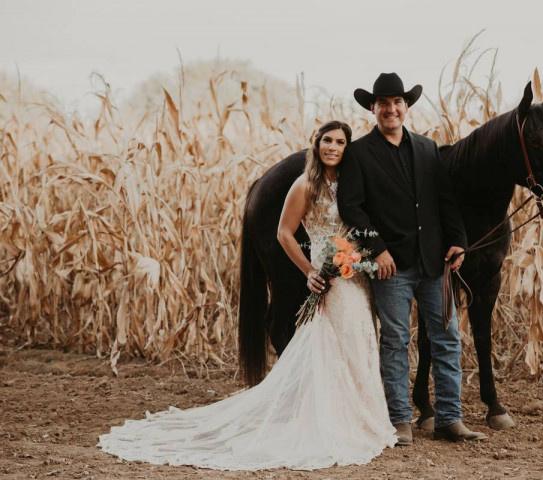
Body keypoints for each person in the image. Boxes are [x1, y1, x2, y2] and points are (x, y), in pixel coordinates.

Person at [97, 121, 396, 471]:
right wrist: (309, 271)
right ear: (316, 145)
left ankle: (362, 417)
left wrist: (363, 255)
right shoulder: (304, 184)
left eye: (340, 142)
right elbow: (284, 233)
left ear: (348, 148)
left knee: (359, 338)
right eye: (326, 140)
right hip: (327, 273)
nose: (332, 147)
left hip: (352, 276)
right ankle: (329, 416)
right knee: (330, 341)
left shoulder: (349, 184)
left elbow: (360, 222)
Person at [337, 73, 485, 445]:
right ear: (373, 108)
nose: (391, 108)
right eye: (383, 103)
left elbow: (445, 201)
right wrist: (377, 249)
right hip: (392, 266)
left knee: (447, 338)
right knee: (395, 341)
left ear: (406, 106)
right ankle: (400, 419)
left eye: (397, 102)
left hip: (434, 263)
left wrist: (459, 242)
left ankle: (450, 418)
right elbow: (352, 209)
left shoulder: (426, 148)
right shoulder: (359, 153)